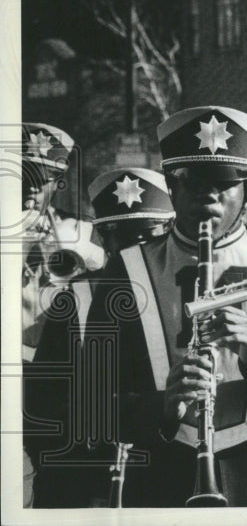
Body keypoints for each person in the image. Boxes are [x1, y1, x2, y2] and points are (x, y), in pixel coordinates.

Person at [85, 106, 247, 507]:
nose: (208, 192)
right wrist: (162, 405)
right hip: (160, 484)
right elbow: (91, 402)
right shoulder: (127, 269)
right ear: (171, 187)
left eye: (225, 181)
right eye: (192, 180)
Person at [25, 167, 175, 508]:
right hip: (92, 481)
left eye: (146, 237)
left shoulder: (186, 293)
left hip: (169, 478)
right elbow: (42, 406)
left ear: (168, 232)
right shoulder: (76, 300)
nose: (131, 251)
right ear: (103, 240)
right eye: (116, 237)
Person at [17, 122, 102, 507]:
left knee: (57, 485)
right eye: (23, 175)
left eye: (43, 177)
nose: (32, 187)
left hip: (57, 379)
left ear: (58, 182)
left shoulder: (80, 232)